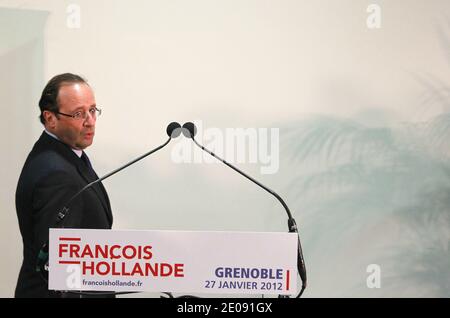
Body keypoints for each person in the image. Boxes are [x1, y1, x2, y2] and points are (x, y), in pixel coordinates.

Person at [15, 73, 113, 298]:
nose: (90, 120)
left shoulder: (66, 156)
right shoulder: (56, 173)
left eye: (93, 110)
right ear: (50, 118)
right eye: (79, 113)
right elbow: (56, 268)